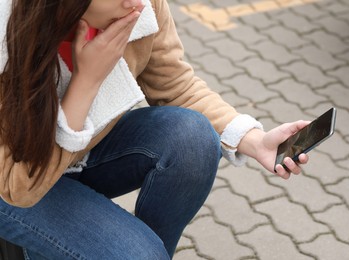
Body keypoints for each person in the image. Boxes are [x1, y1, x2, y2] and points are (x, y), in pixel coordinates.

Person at [0, 0, 309, 259]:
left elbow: (175, 85)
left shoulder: (138, 7)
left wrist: (255, 141)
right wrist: (86, 81)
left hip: (78, 156)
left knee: (192, 136)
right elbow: (18, 187)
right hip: (13, 182)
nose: (136, 2)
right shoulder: (6, 31)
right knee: (137, 254)